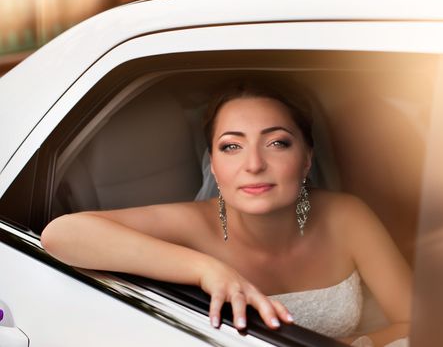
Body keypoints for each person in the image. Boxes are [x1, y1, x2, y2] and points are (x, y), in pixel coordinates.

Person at [41, 79, 412, 346]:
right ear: (213, 166)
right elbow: (62, 235)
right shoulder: (191, 224)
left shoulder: (346, 217)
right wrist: (207, 270)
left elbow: (417, 324)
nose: (254, 164)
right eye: (231, 147)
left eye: (277, 143)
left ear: (306, 159)